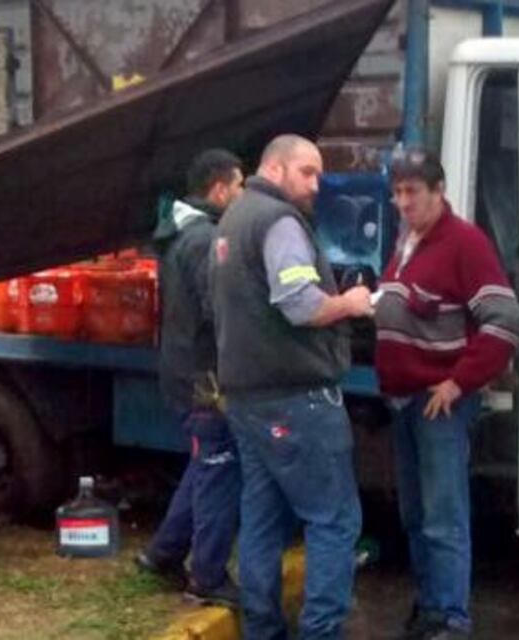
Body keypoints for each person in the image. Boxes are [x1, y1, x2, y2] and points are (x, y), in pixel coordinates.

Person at [211, 134, 374, 639]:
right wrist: (350, 303)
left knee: (261, 518)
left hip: (247, 398)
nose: (316, 184)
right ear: (275, 169)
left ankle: (262, 630)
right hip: (296, 398)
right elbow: (300, 303)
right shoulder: (278, 222)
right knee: (334, 521)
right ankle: (321, 632)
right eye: (307, 172)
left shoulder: (233, 219)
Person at [373, 147, 519, 639]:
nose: (402, 202)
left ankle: (452, 619)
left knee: (443, 515)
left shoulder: (466, 244)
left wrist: (460, 381)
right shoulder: (407, 240)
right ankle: (430, 607)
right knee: (415, 514)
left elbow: (503, 321)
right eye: (396, 193)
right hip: (404, 400)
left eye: (412, 192)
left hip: (439, 403)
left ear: (439, 192)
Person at [136, 148, 245, 607]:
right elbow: (216, 308)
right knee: (220, 470)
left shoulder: (184, 231)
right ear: (219, 189)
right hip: (205, 380)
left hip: (185, 371)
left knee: (206, 463)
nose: (242, 196)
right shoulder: (205, 240)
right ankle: (208, 577)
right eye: (239, 187)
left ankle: (162, 554)